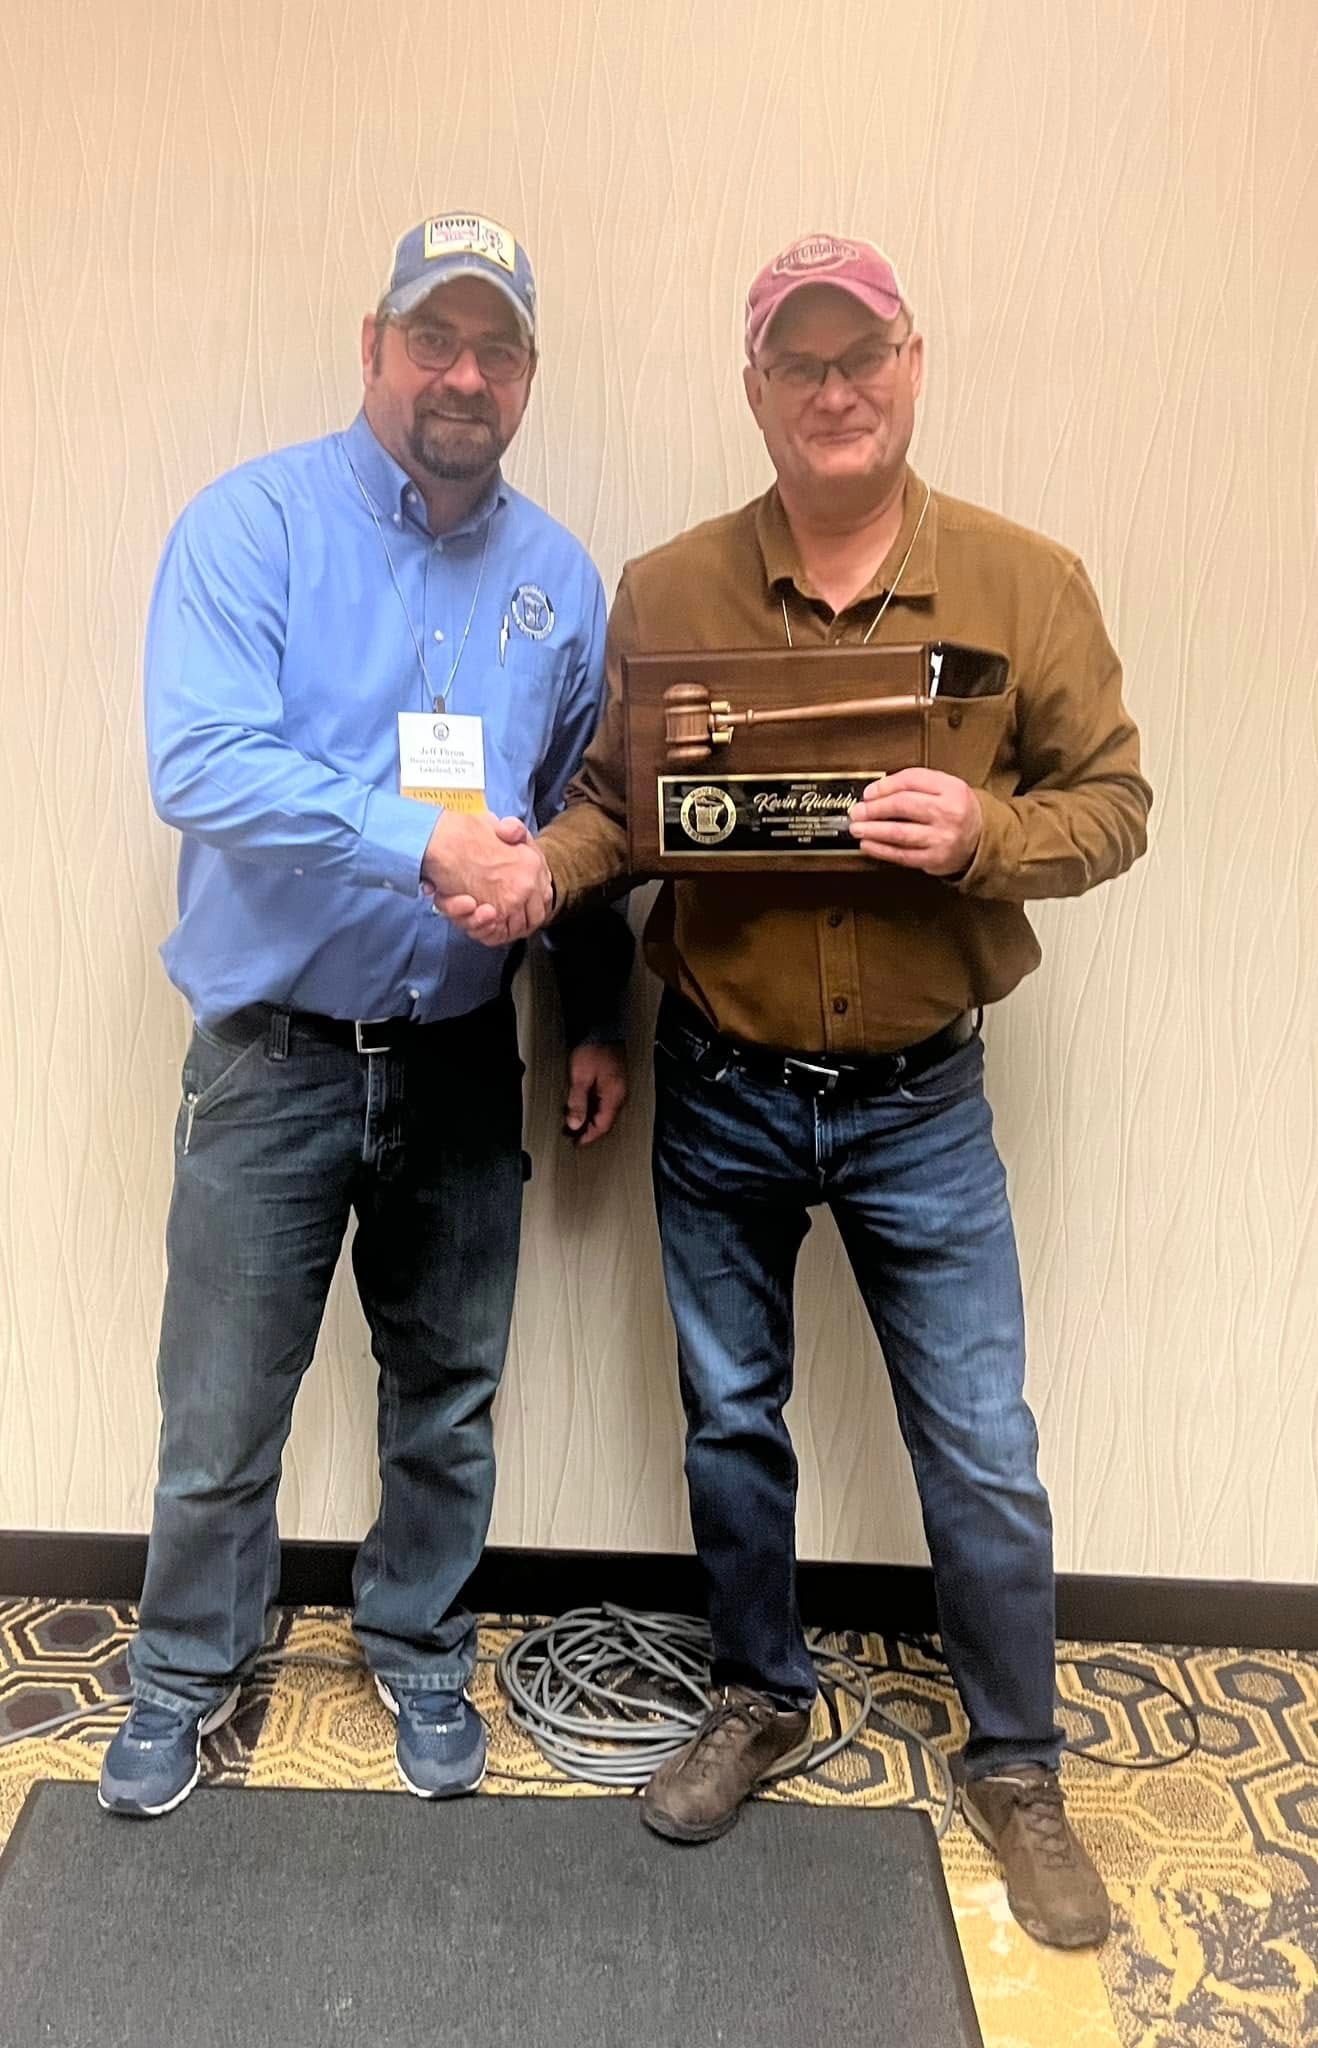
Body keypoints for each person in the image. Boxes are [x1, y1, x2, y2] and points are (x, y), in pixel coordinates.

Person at [446, 231, 1151, 1949]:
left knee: (977, 1445)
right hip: (728, 1086)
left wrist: (989, 835)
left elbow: (1114, 804)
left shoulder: (1026, 584)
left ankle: (1016, 1756)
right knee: (731, 1417)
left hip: (924, 1099)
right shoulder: (667, 589)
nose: (833, 391)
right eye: (797, 365)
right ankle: (759, 1691)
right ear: (753, 390)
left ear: (912, 364)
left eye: (862, 358)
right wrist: (547, 878)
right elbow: (621, 814)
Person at [100, 213, 630, 1819]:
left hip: (467, 1058)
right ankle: (188, 1671)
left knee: (448, 1393)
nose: (464, 374)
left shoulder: (556, 579)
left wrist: (594, 1014)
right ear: (373, 346)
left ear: (528, 373)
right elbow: (199, 761)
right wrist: (418, 838)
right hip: (277, 1061)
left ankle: (416, 1645)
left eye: (498, 347)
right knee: (222, 1406)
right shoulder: (250, 527)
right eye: (434, 339)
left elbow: (581, 813)